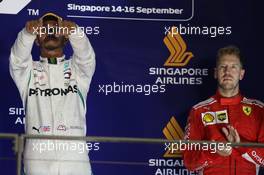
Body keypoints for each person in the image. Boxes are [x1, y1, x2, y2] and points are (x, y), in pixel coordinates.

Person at [9, 13, 95, 175]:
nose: (50, 32)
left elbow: (86, 57)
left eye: (56, 29)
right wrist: (27, 34)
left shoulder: (78, 71)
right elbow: (17, 60)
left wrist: (76, 33)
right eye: (44, 29)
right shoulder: (27, 73)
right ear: (36, 39)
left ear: (66, 37)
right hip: (37, 160)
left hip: (75, 160)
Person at [183, 45, 264, 175]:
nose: (227, 72)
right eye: (223, 67)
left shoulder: (259, 110)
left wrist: (241, 147)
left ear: (241, 74)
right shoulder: (199, 111)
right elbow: (189, 163)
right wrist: (213, 151)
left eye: (233, 67)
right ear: (215, 73)